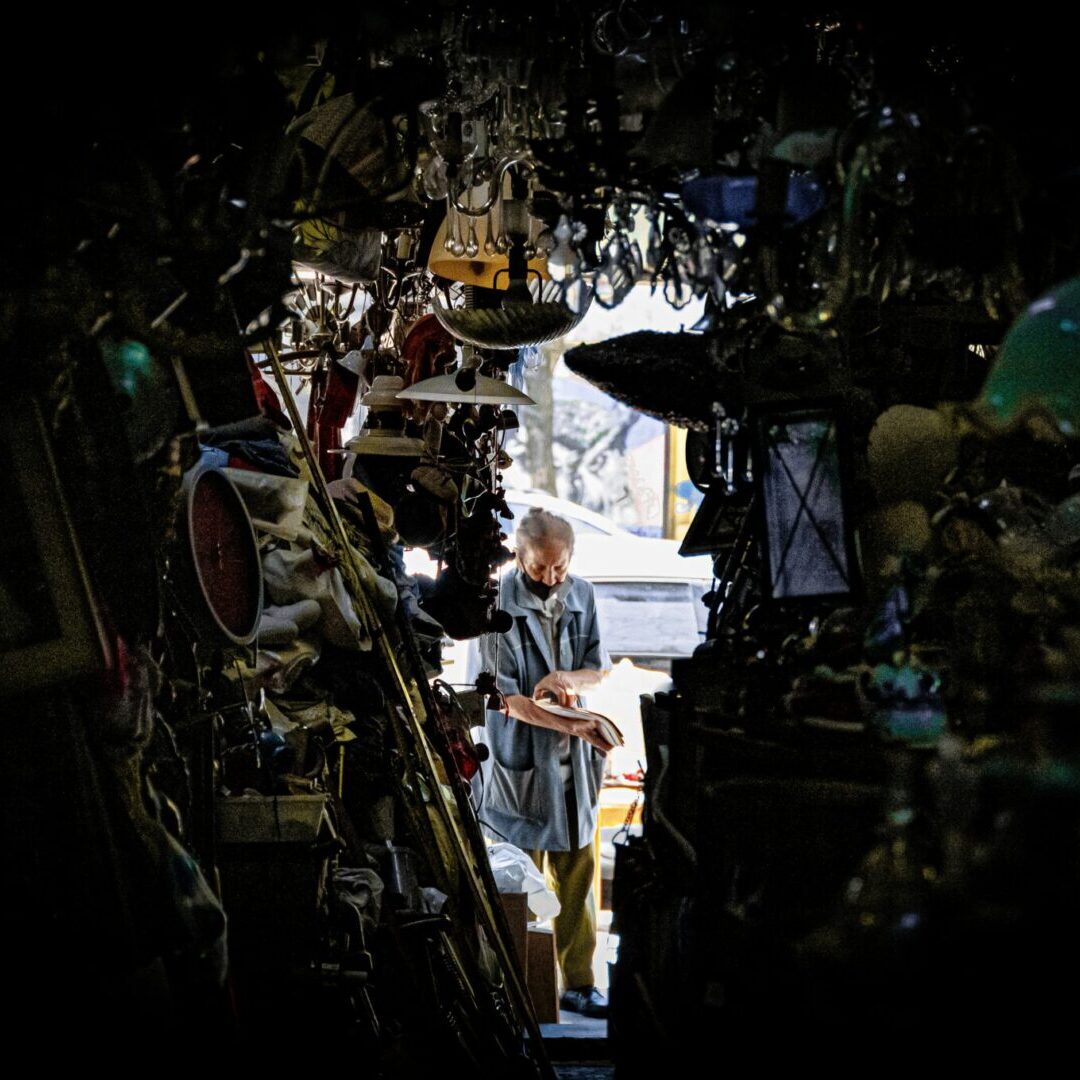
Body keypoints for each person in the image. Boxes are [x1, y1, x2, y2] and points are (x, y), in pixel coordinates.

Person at [473, 507, 614, 1018]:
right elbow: (502, 697)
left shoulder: (584, 594)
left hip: (574, 767)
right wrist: (572, 724)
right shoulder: (495, 606)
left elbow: (597, 669)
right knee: (525, 887)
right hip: (521, 765)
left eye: (560, 568)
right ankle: (526, 987)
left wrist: (566, 681)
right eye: (539, 569)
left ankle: (579, 982)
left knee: (579, 876)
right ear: (519, 556)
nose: (551, 579)